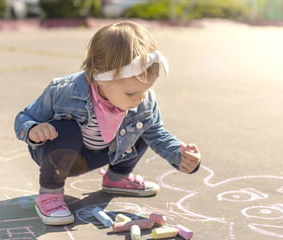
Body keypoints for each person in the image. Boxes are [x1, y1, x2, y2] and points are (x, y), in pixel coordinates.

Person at [14, 21, 201, 226]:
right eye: (130, 92)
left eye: (146, 89)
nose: (139, 98)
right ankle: (49, 195)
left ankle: (116, 178)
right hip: (61, 155)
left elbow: (157, 133)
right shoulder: (63, 91)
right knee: (66, 129)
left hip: (104, 151)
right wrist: (33, 130)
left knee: (143, 125)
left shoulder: (142, 101)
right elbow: (24, 117)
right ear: (100, 77)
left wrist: (179, 155)